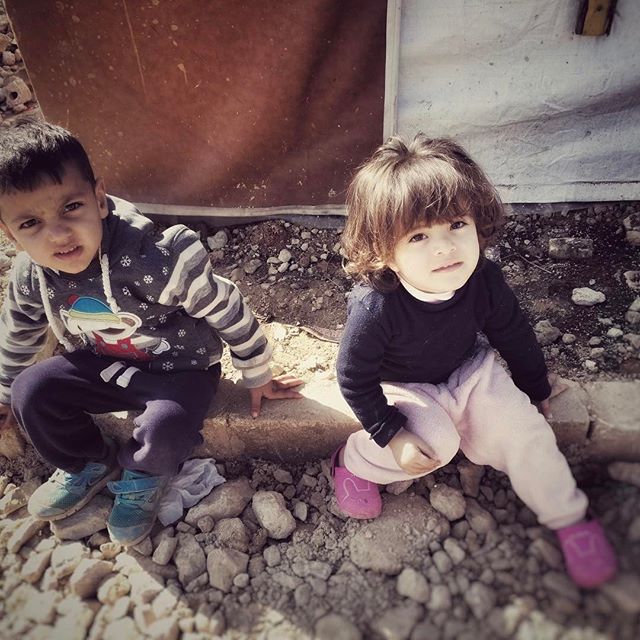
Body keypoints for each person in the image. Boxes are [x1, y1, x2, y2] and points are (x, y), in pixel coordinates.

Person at [333, 134, 617, 589]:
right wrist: (391, 434)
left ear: (478, 225)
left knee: (526, 431)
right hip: (402, 387)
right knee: (435, 446)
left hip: (467, 367)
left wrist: (535, 388)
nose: (444, 247)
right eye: (419, 236)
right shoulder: (377, 307)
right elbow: (353, 377)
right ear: (386, 252)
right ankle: (353, 462)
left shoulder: (484, 280)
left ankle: (570, 518)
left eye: (456, 225)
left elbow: (513, 333)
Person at [0, 119, 302, 546]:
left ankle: (143, 477)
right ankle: (86, 462)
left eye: (71, 208)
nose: (59, 234)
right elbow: (20, 332)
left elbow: (225, 304)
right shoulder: (31, 275)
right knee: (30, 391)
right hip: (101, 364)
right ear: (10, 234)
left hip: (179, 369)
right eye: (31, 222)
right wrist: (4, 392)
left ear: (99, 200)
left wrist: (256, 371)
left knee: (168, 425)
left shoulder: (154, 259)